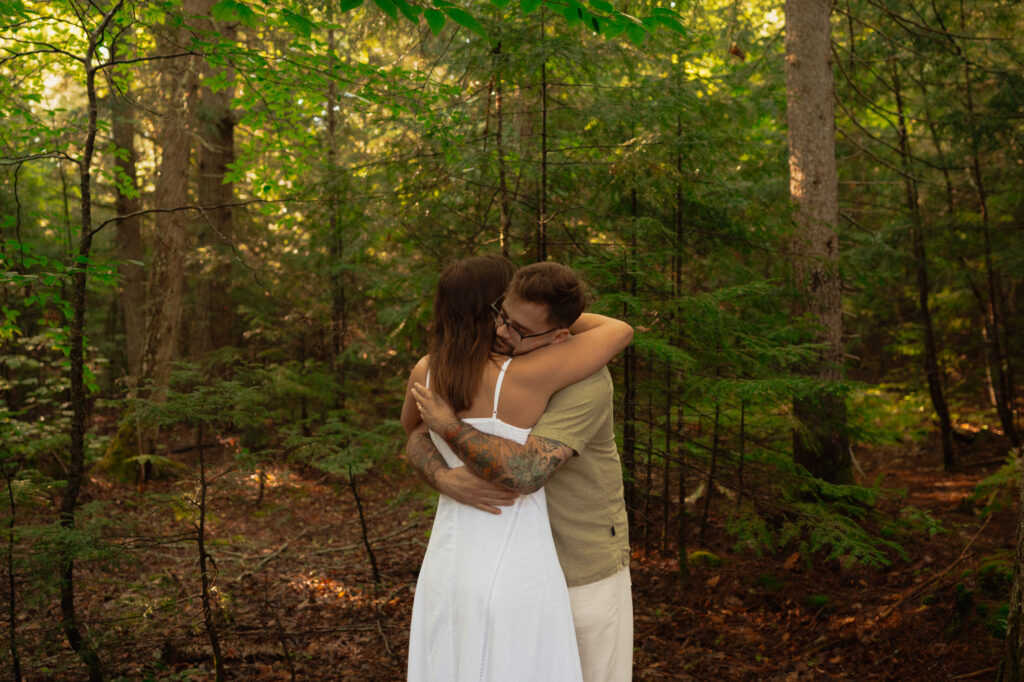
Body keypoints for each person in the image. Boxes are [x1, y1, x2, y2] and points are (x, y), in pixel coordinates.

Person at [401, 256, 633, 682]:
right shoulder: (480, 371)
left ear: (561, 332)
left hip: (578, 560)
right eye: (500, 317)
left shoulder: (583, 377)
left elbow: (526, 473)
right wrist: (442, 477)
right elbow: (416, 434)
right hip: (505, 560)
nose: (503, 331)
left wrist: (448, 427)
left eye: (519, 327)